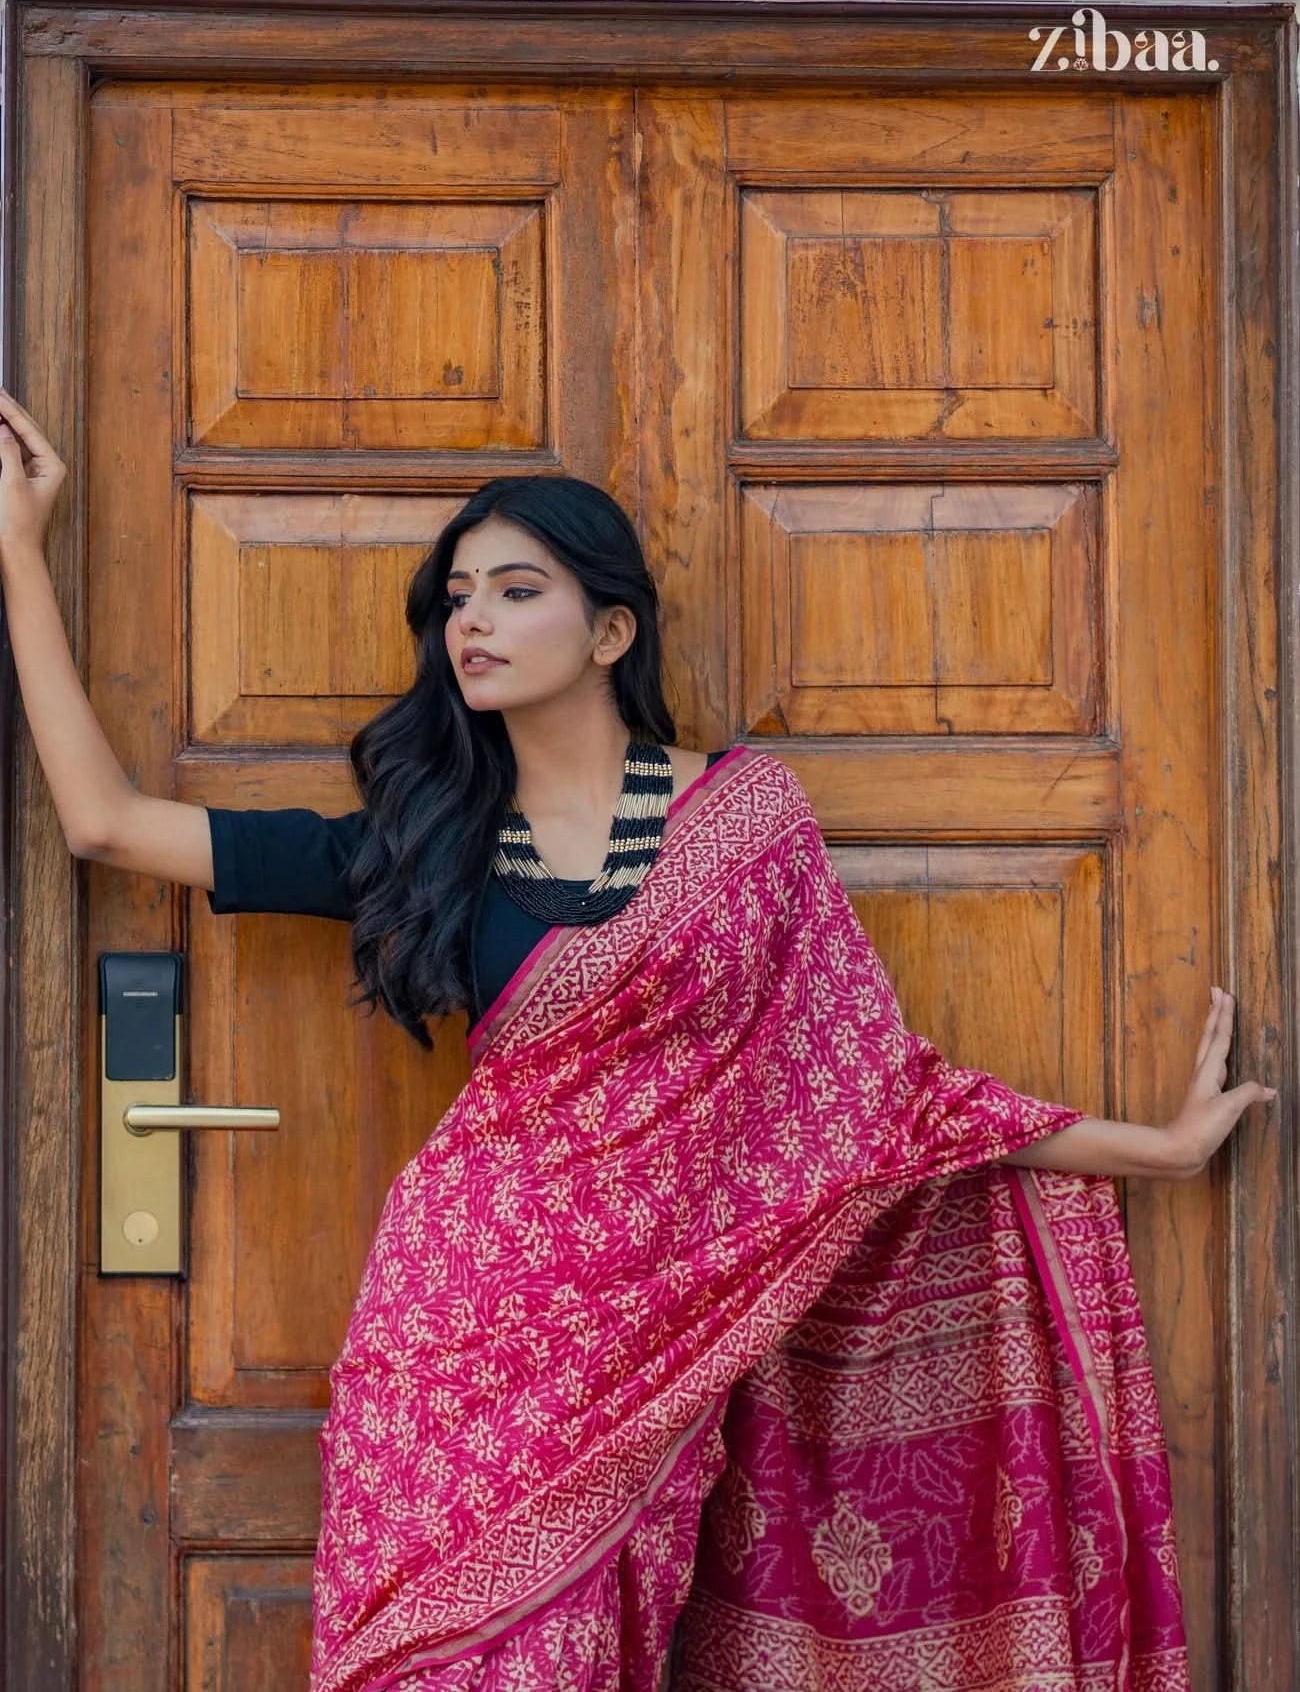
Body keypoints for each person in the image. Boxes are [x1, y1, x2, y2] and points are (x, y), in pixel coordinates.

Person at [0, 385, 1276, 1692]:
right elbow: (104, 821)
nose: (473, 621)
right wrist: (18, 552)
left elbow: (879, 1098)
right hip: (455, 1340)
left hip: (652, 1353)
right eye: (457, 599)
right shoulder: (423, 846)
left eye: (515, 591)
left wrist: (1159, 1149)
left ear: (611, 629)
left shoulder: (748, 822)